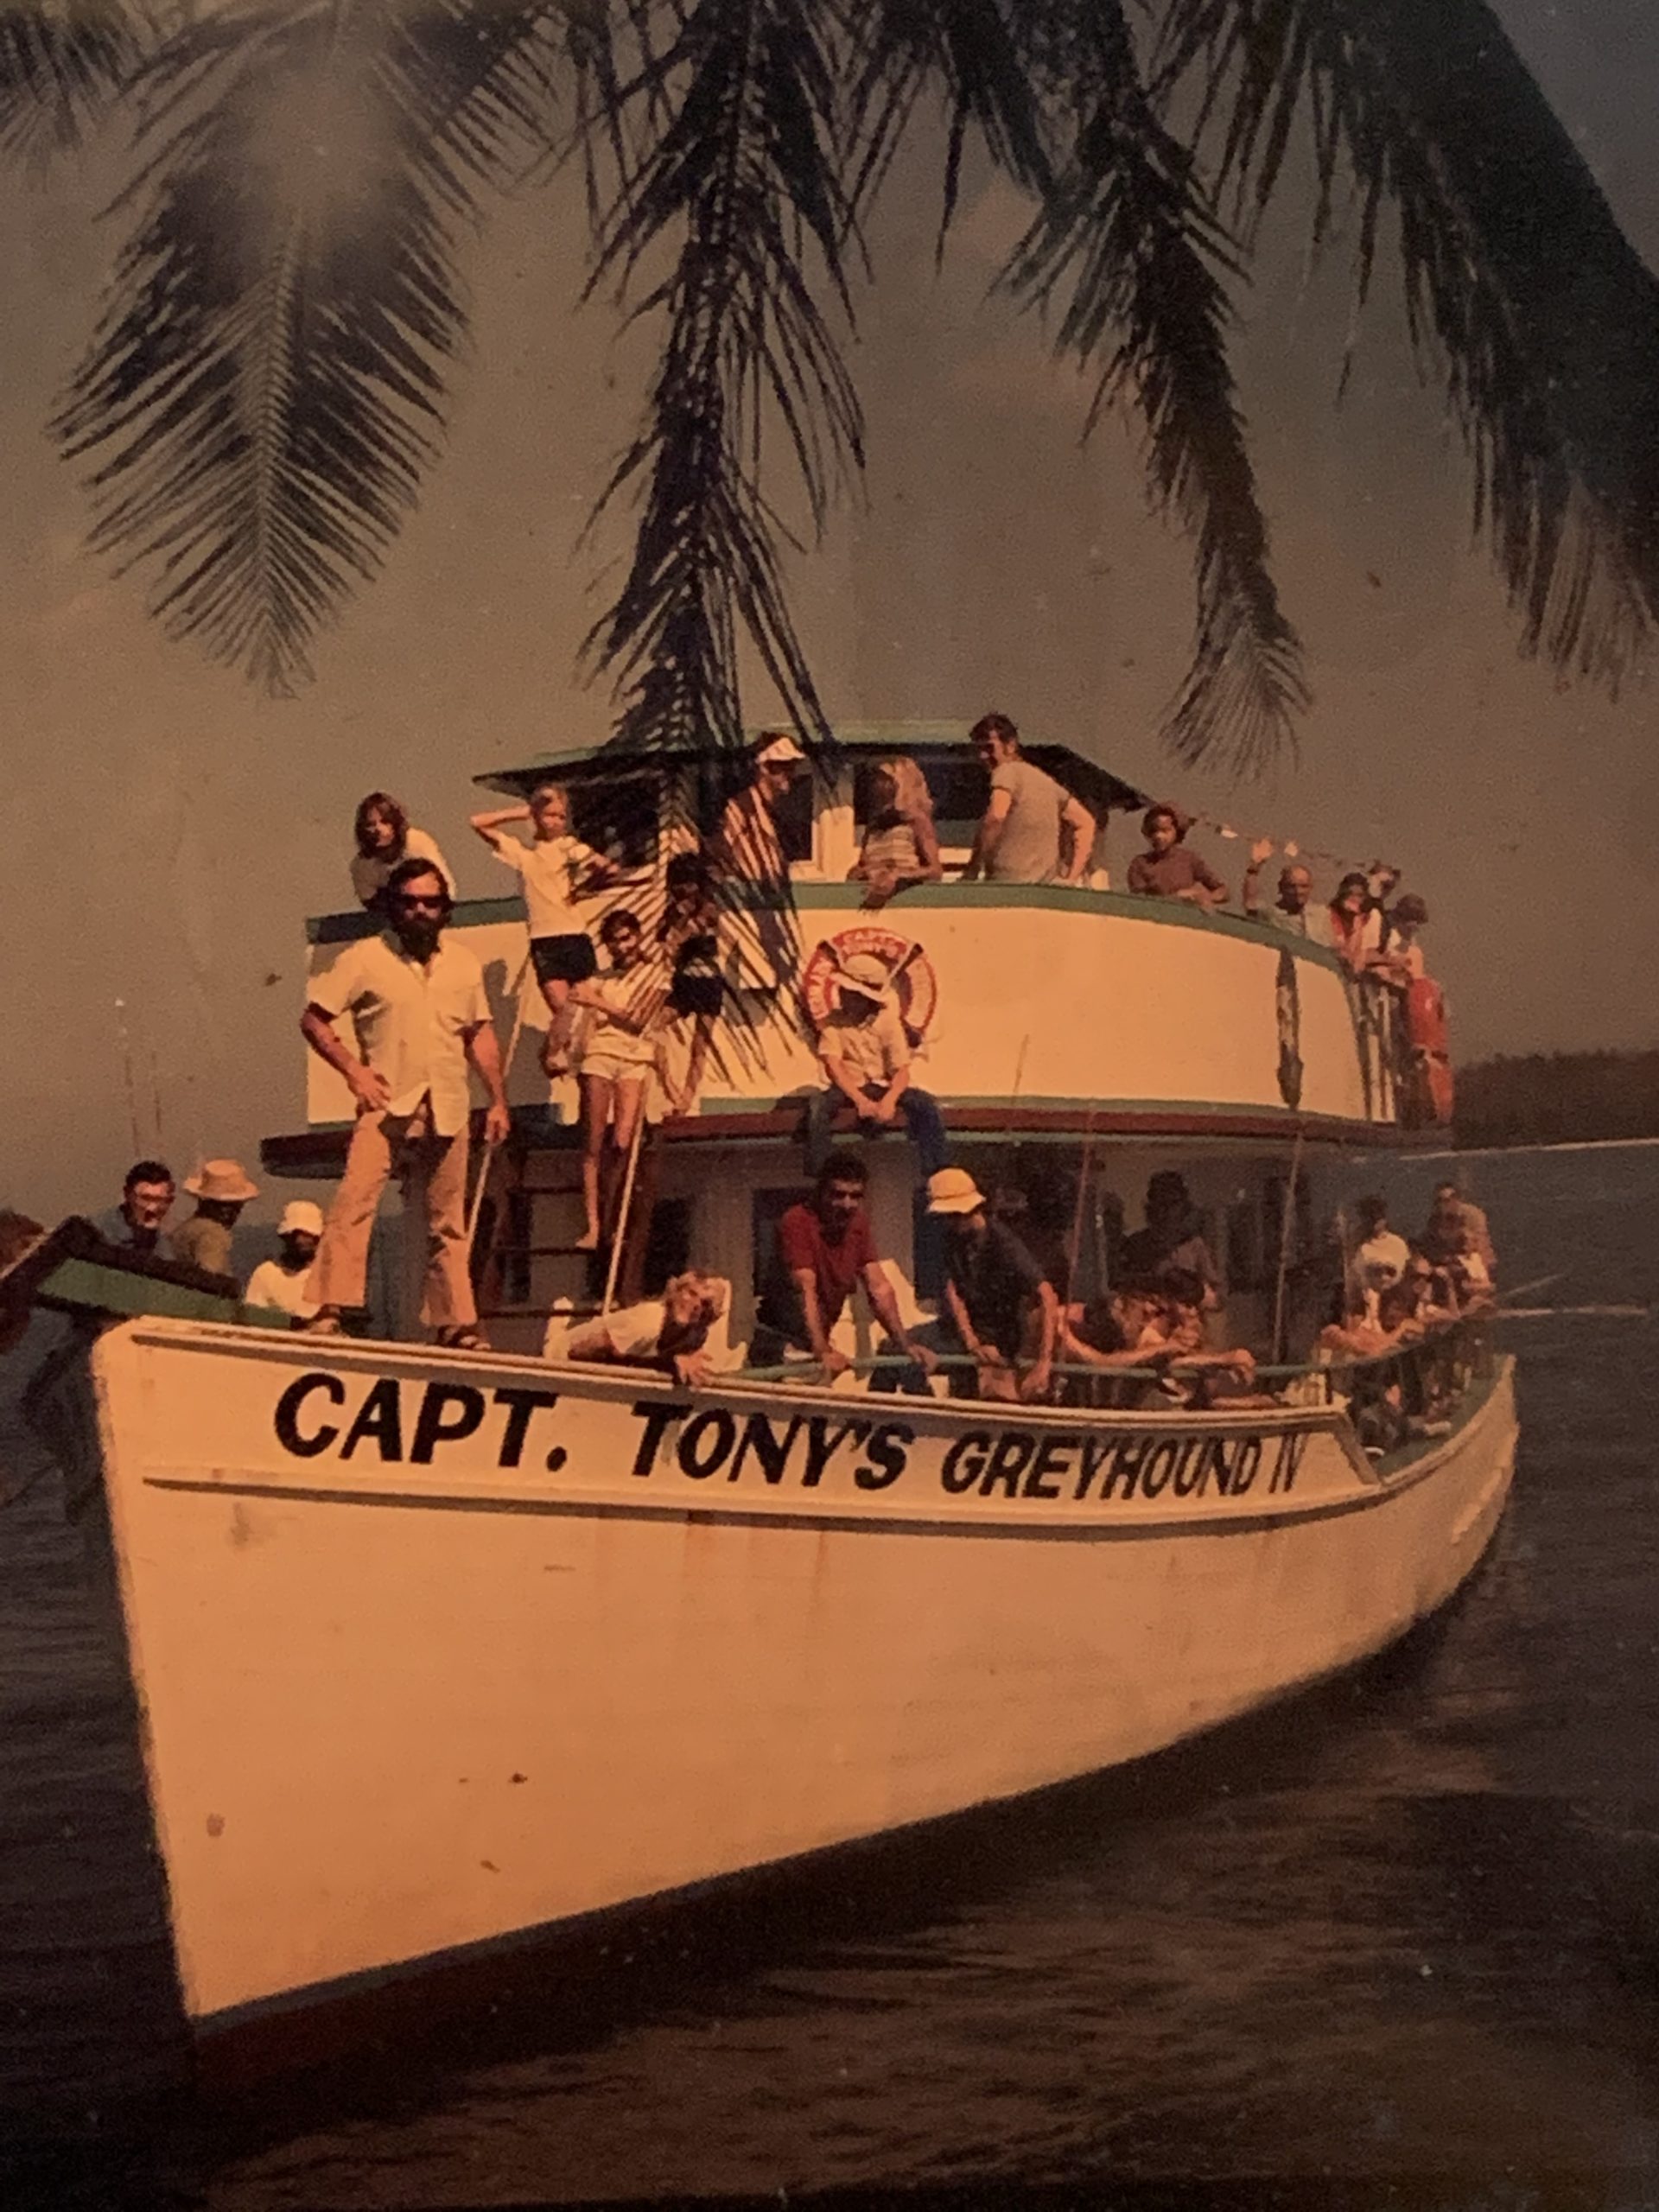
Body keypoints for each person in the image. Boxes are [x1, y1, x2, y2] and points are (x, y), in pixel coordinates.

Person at [301, 855, 510, 1345]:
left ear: (445, 908)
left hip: (449, 1101)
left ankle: (454, 1322)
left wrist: (498, 1100)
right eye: (410, 901)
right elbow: (314, 1019)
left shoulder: (463, 964)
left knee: (448, 1221)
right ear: (394, 906)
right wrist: (354, 1073)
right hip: (388, 1101)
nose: (419, 910)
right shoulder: (364, 958)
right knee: (354, 1202)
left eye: (430, 902)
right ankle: (330, 1310)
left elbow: (479, 1032)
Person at [469, 782, 620, 1075]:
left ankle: (568, 1063)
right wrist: (523, 811)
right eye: (549, 815)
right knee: (563, 1009)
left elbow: (608, 869)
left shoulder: (569, 847)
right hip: (544, 940)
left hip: (574, 935)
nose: (554, 821)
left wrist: (585, 889)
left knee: (582, 1013)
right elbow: (478, 823)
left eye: (561, 816)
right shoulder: (524, 854)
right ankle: (554, 1055)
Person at [751, 1153, 938, 1383]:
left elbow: (879, 1288)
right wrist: (822, 1350)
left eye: (855, 1196)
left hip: (813, 1347)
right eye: (838, 1195)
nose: (847, 1204)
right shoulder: (797, 1221)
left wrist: (906, 1346)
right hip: (777, 1344)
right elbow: (804, 1290)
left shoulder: (857, 1223)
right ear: (821, 1192)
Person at [806, 951, 948, 1179]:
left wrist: (889, 1101)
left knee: (926, 1105)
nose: (843, 995)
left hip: (882, 1086)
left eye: (850, 993)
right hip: (849, 1088)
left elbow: (901, 1070)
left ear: (866, 998)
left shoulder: (889, 1022)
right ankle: (820, 1173)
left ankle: (938, 1171)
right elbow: (834, 1066)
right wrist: (860, 1100)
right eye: (843, 990)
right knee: (817, 1108)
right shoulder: (833, 1022)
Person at [927, 1166, 1058, 1403]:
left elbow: (1047, 1294)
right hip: (964, 1333)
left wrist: (1044, 1361)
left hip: (1004, 1334)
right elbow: (953, 1288)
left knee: (997, 1393)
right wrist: (971, 1340)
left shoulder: (1004, 1243)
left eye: (953, 1215)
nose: (948, 1222)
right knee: (895, 1349)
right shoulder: (951, 1238)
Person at [570, 908, 659, 1250]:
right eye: (615, 941)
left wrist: (598, 1002)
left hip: (634, 1058)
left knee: (623, 1142)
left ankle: (613, 1216)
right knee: (592, 1143)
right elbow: (577, 1012)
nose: (622, 946)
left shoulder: (654, 974)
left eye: (626, 938)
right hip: (600, 1055)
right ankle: (593, 1226)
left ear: (636, 937)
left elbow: (639, 1020)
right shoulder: (601, 978)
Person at [962, 712, 1094, 887]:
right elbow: (1086, 823)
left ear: (1010, 745)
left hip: (1007, 885)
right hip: (1045, 889)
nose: (983, 756)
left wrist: (974, 866)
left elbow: (996, 817)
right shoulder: (1047, 782)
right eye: (978, 750)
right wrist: (1071, 879)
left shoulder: (1006, 771)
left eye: (988, 748)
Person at [562, 1270, 728, 1389]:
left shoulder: (696, 1335)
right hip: (560, 1366)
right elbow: (580, 1351)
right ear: (675, 1292)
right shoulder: (649, 1322)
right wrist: (667, 1364)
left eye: (706, 1303)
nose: (696, 1305)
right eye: (691, 1293)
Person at [657, 852, 722, 1116]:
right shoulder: (674, 908)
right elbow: (660, 933)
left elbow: (694, 930)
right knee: (652, 1028)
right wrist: (671, 922)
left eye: (687, 883)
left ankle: (686, 1098)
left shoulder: (709, 906)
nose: (683, 889)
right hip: (683, 981)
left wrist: (676, 934)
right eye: (678, 883)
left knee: (700, 1044)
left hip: (707, 981)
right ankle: (669, 1086)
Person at [709, 731, 804, 887]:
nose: (789, 773)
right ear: (764, 768)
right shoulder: (739, 808)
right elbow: (724, 858)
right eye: (781, 766)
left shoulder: (778, 815)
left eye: (792, 766)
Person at [849, 756, 943, 908]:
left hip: (907, 904)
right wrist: (859, 873)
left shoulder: (917, 822)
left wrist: (899, 875)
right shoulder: (873, 827)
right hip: (872, 902)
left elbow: (935, 872)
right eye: (875, 781)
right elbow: (861, 866)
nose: (876, 786)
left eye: (884, 780)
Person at [1119, 1172, 1220, 1302]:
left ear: (1184, 1208)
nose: (1166, 1212)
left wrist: (1187, 1285)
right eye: (1160, 1203)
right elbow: (1123, 1289)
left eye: (1173, 1204)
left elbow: (1214, 1296)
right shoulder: (1135, 1244)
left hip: (1186, 1319)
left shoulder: (1195, 1245)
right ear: (1151, 1207)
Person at [349, 791, 454, 912]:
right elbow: (371, 904)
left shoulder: (416, 843)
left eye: (385, 822)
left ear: (395, 822)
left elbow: (444, 887)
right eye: (371, 825)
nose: (378, 829)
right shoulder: (362, 866)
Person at [1127, 804, 1228, 908]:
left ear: (1177, 831)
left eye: (1165, 830)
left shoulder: (1190, 859)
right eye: (1154, 830)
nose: (1158, 836)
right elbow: (1140, 903)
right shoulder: (1140, 864)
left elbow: (1223, 891)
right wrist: (1177, 898)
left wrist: (1204, 898)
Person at [171, 1159, 258, 1278]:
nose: (235, 1213)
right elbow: (211, 1281)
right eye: (234, 1206)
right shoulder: (214, 1235)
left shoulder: (184, 1230)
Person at [245, 1201, 325, 1320]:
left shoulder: (326, 1278)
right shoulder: (265, 1274)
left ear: (318, 1238)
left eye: (307, 1235)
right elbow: (254, 1316)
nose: (300, 1241)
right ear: (284, 1237)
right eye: (294, 1235)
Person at [1242, 844, 1334, 944]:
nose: (1298, 892)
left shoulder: (1323, 914)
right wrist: (1254, 868)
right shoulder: (1272, 914)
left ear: (1311, 887)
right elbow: (1250, 903)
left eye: (1303, 886)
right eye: (1292, 887)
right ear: (1282, 888)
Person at [93, 1160, 176, 1258]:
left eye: (160, 1200)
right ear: (127, 1195)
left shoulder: (164, 1246)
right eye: (145, 1198)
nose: (152, 1208)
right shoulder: (97, 1234)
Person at [1421, 1181, 1497, 1275]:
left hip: (1476, 1261)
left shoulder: (1473, 1215)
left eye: (1448, 1200)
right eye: (1439, 1201)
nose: (1443, 1205)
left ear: (1457, 1199)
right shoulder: (1435, 1221)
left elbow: (1478, 1244)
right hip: (1448, 1262)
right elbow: (1431, 1245)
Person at [1348, 1195, 1409, 1297]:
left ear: (1384, 1219)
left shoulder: (1398, 1244)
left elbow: (1402, 1277)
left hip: (1395, 1300)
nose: (1372, 1222)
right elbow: (1357, 1280)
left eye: (1376, 1217)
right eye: (1368, 1217)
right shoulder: (1360, 1248)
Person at [1327, 871, 1382, 975]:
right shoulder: (1330, 915)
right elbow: (1336, 948)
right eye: (1349, 894)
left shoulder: (1367, 918)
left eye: (1359, 895)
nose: (1354, 899)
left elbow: (1368, 951)